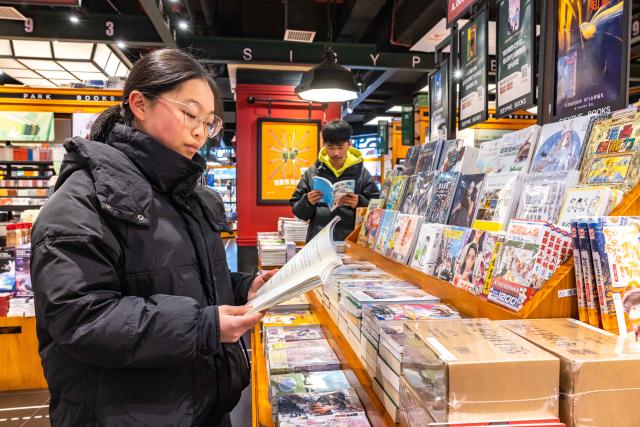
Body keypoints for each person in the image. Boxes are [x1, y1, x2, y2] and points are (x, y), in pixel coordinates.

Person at [31, 49, 277, 426]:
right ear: (139, 104)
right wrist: (203, 326)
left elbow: (185, 279)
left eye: (208, 122)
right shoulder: (82, 201)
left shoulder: (187, 195)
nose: (199, 131)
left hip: (201, 404)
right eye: (188, 113)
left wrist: (244, 287)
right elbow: (80, 317)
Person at [290, 119, 380, 242]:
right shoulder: (312, 172)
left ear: (349, 144)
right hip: (318, 241)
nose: (336, 153)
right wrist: (307, 201)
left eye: (340, 147)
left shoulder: (362, 174)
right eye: (330, 147)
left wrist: (359, 203)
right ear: (324, 144)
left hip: (350, 242)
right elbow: (298, 212)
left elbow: (378, 209)